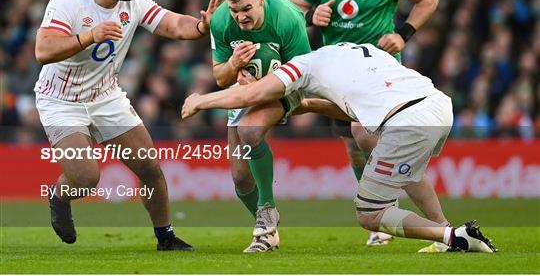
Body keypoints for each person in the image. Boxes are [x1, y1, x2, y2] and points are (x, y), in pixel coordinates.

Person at [181, 43, 497, 254]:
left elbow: (252, 96)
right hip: (436, 106)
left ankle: (456, 237)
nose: (244, 80)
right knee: (406, 171)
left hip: (407, 121)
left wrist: (201, 101)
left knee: (370, 212)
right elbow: (352, 109)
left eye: (250, 74)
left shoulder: (301, 65)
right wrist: (305, 106)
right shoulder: (358, 52)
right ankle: (442, 231)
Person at [34, 0, 224, 251]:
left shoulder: (134, 3)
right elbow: (42, 51)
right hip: (61, 101)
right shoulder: (68, 0)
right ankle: (59, 194)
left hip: (106, 96)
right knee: (85, 177)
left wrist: (202, 25)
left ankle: (166, 238)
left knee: (149, 167)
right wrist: (89, 36)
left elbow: (173, 24)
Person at [289, 0, 440, 248]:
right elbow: (293, 9)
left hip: (380, 75)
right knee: (356, 149)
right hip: (338, 77)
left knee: (367, 134)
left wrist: (403, 33)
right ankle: (382, 213)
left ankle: (400, 213)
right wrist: (311, 17)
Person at [209, 0, 311, 252]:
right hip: (245, 94)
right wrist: (233, 66)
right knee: (241, 179)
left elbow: (303, 75)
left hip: (285, 89)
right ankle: (268, 228)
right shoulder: (220, 21)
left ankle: (267, 214)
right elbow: (220, 77)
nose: (240, 17)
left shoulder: (287, 18)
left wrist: (264, 86)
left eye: (246, 9)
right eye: (234, 10)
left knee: (250, 131)